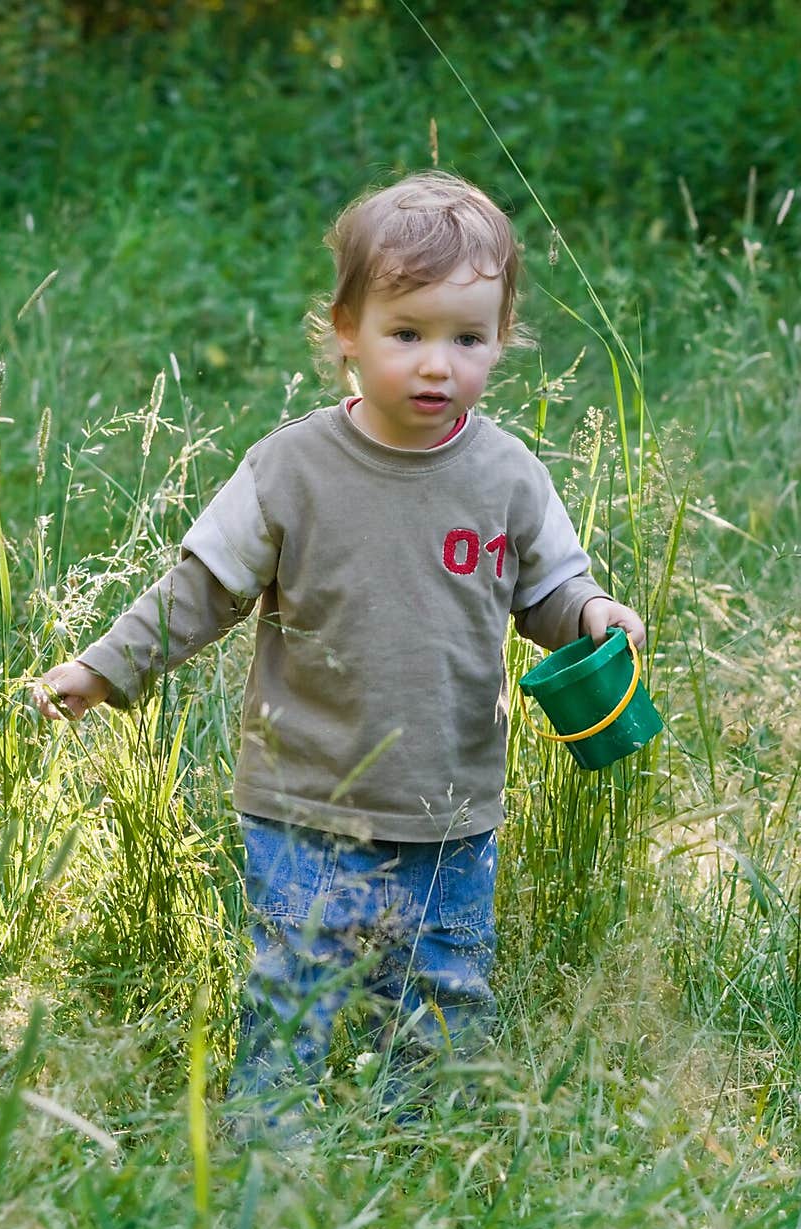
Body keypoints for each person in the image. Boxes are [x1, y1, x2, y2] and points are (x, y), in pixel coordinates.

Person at [32, 170, 646, 1135]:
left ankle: (422, 1145)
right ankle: (270, 1142)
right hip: (305, 796)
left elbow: (546, 589)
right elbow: (203, 586)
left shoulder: (506, 475)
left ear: (501, 340)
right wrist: (107, 666)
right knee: (301, 979)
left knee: (443, 987)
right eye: (408, 333)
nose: (437, 364)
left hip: (449, 800)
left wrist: (595, 614)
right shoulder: (292, 467)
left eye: (467, 338)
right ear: (346, 330)